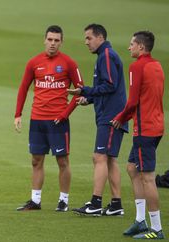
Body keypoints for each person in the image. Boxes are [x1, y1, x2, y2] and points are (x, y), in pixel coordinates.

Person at [14, 25, 84, 212]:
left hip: (58, 121)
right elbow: (23, 88)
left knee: (62, 161)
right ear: (44, 40)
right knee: (36, 160)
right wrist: (18, 114)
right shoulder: (33, 62)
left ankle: (63, 201)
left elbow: (80, 92)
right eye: (50, 39)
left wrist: (65, 114)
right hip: (37, 119)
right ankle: (35, 201)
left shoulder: (69, 63)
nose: (52, 44)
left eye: (56, 40)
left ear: (61, 42)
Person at [69, 23, 127, 216]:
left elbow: (110, 85)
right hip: (109, 114)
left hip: (111, 117)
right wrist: (90, 99)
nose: (86, 42)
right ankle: (116, 204)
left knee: (99, 157)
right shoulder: (104, 56)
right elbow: (107, 87)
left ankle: (95, 203)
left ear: (100, 37)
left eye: (89, 38)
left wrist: (85, 90)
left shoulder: (107, 56)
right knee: (110, 159)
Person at [111, 31, 165, 239]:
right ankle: (140, 221)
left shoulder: (137, 67)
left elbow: (133, 101)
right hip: (157, 126)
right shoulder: (157, 65)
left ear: (141, 47)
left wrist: (120, 118)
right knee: (132, 168)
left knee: (148, 178)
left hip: (144, 130)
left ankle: (157, 229)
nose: (129, 47)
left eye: (132, 44)